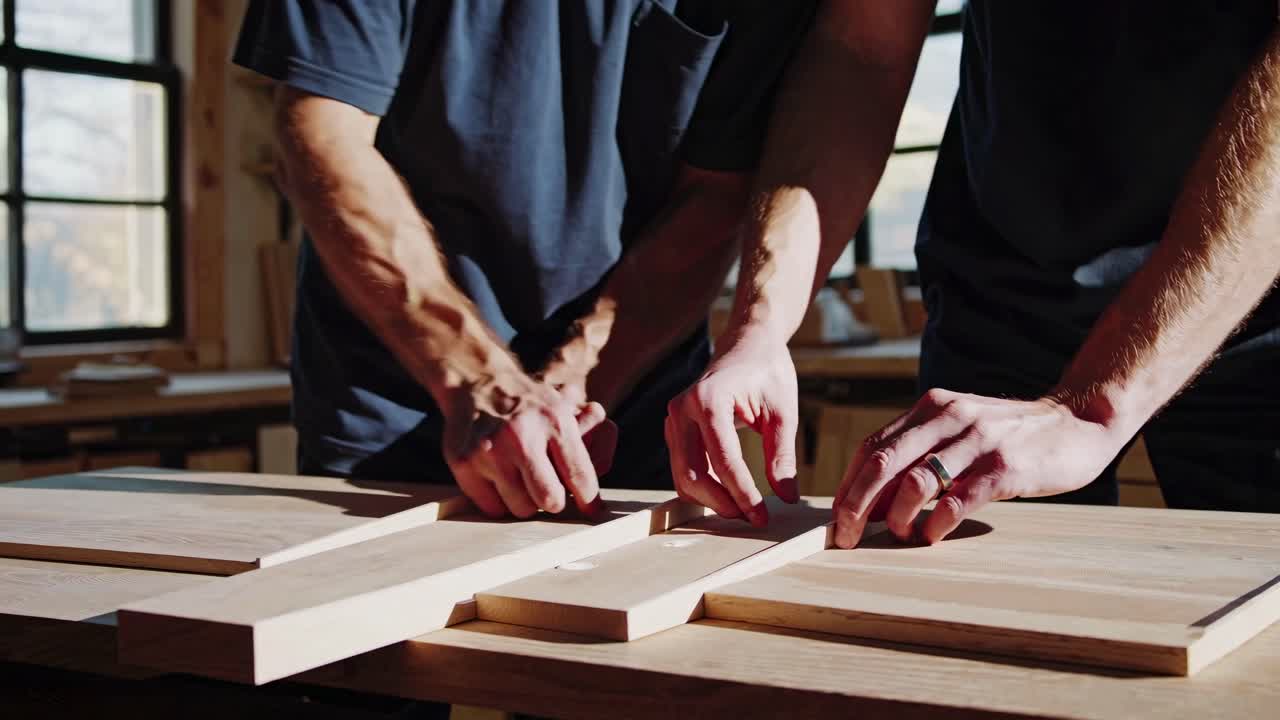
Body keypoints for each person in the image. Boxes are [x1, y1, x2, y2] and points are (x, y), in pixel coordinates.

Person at [668, 0, 1280, 546]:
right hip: (1002, 296)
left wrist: (1094, 407)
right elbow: (863, 49)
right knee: (977, 630)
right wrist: (760, 325)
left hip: (1247, 296)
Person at [232, 0, 817, 524]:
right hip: (396, 410)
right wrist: (476, 377)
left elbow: (716, 194)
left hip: (624, 416)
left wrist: (578, 384)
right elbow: (320, 138)